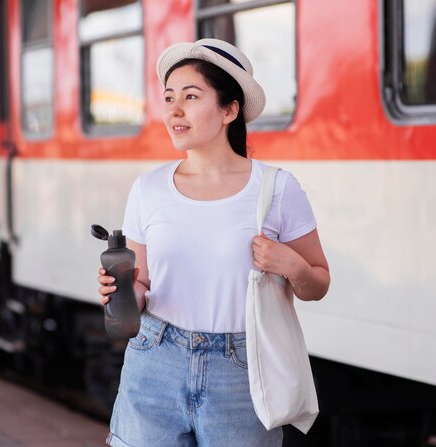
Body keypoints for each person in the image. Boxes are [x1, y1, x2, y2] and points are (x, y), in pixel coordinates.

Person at [97, 38, 330, 447]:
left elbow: (318, 283)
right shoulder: (147, 188)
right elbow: (143, 285)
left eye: (191, 96)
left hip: (239, 370)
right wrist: (120, 294)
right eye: (169, 97)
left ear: (229, 110)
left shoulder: (276, 189)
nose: (174, 109)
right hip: (154, 360)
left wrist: (291, 265)